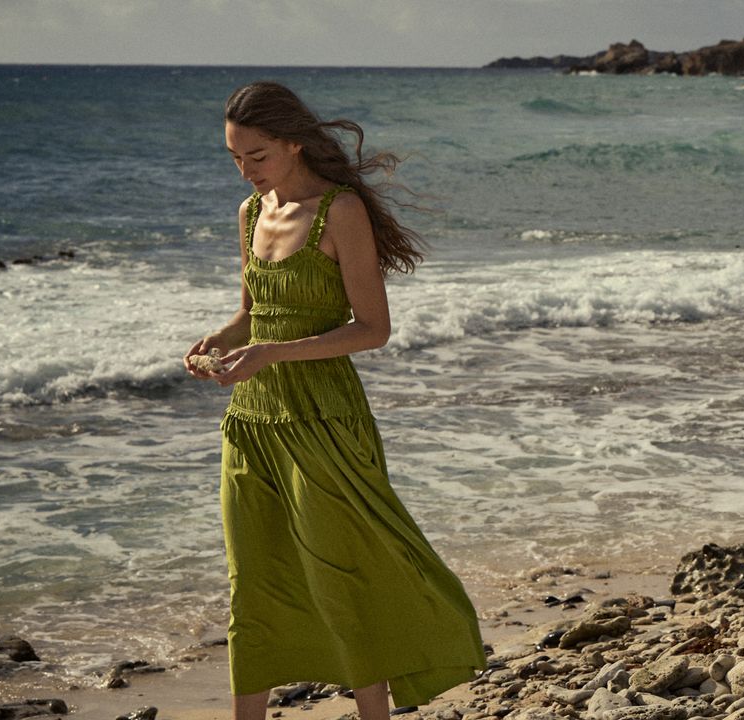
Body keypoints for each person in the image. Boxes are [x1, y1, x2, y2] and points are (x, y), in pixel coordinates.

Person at [184, 81, 485, 720]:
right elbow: (254, 315)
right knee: (255, 578)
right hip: (253, 422)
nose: (246, 170)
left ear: (295, 143)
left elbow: (372, 329)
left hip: (324, 417)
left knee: (341, 572)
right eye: (235, 157)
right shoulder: (250, 212)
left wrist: (272, 353)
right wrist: (221, 340)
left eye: (257, 155)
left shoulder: (339, 211)